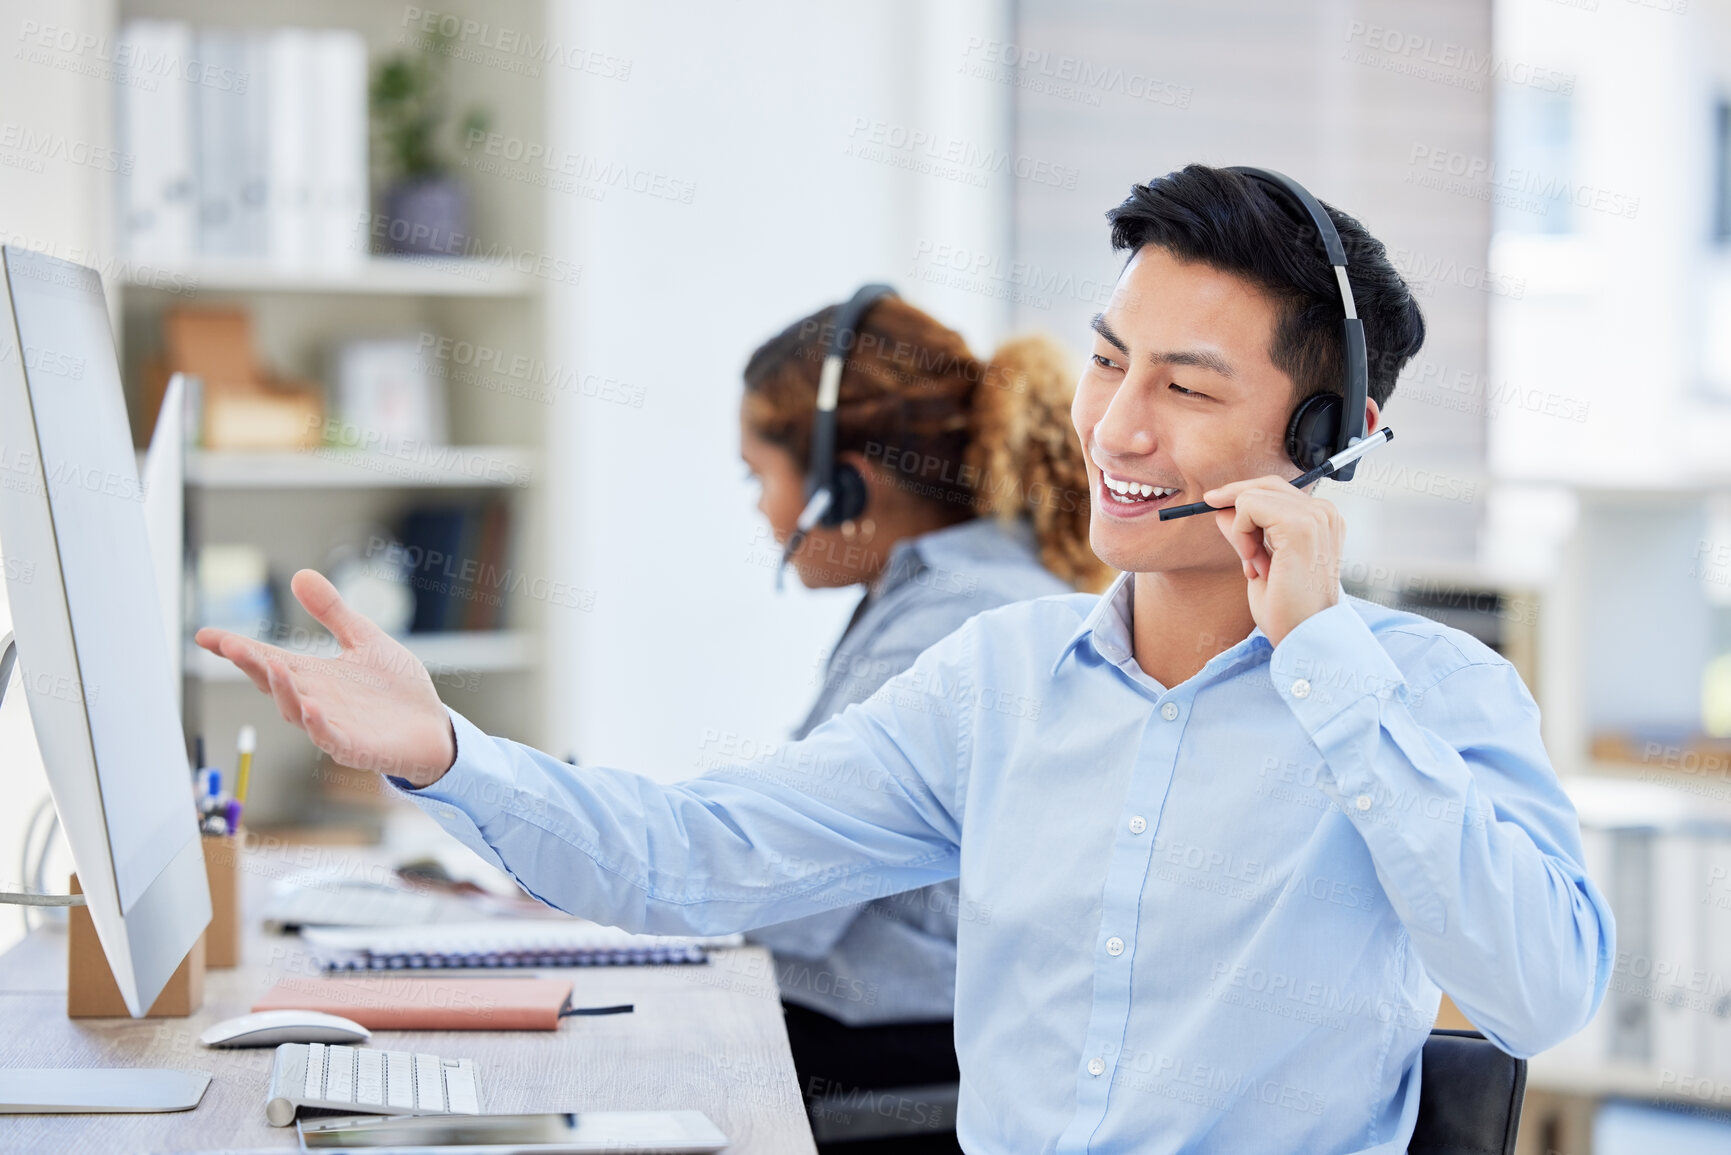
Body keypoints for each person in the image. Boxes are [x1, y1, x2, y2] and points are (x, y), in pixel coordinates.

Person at [197, 163, 1614, 1154]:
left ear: (1327, 434)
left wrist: (1318, 656)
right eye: (1107, 359)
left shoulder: (1425, 698)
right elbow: (698, 851)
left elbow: (1534, 990)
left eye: (1182, 387)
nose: (1113, 426)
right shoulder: (994, 681)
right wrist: (447, 751)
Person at [736, 295, 1110, 1150]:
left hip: (911, 1058)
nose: (762, 516)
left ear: (842, 485)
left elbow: (786, 891)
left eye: (759, 478)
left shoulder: (950, 620)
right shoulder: (961, 588)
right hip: (922, 1036)